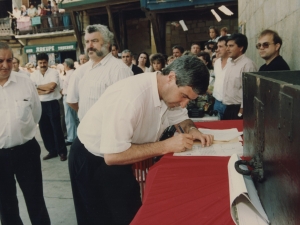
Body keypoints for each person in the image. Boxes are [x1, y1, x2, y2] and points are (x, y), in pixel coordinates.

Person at [68, 55, 214, 225]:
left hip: (121, 156)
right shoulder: (131, 97)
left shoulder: (168, 93)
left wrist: (192, 129)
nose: (183, 104)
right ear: (172, 77)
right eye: (183, 96)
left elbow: (182, 118)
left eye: (189, 100)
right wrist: (165, 146)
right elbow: (112, 156)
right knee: (100, 219)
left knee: (131, 215)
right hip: (93, 159)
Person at [0, 42, 50, 225]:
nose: (5, 65)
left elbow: (36, 113)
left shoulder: (25, 83)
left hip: (26, 152)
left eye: (9, 60)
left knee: (35, 200)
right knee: (6, 206)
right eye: (0, 61)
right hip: (0, 155)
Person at [67, 24, 133, 121]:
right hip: (85, 130)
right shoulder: (82, 70)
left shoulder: (119, 69)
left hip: (108, 132)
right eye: (87, 42)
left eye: (94, 41)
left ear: (107, 44)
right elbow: (72, 101)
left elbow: (126, 107)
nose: (90, 46)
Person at [30, 53, 68, 161]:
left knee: (56, 128)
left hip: (52, 102)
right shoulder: (33, 75)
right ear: (37, 63)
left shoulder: (53, 72)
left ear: (48, 62)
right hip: (40, 104)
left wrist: (37, 87)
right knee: (44, 129)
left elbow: (52, 86)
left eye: (44, 62)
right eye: (40, 63)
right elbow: (32, 90)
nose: (42, 64)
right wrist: (44, 90)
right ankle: (52, 151)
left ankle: (62, 152)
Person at [222, 33, 258, 120]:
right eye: (227, 46)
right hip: (228, 108)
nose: (227, 49)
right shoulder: (230, 63)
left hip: (240, 110)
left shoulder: (248, 65)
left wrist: (241, 112)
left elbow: (250, 92)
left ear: (241, 48)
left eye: (231, 46)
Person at [62, 58, 79, 145]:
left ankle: (71, 137)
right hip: (69, 96)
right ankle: (74, 136)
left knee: (69, 117)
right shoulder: (71, 73)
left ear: (67, 65)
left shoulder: (70, 73)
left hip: (68, 96)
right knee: (73, 117)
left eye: (64, 65)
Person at [212, 36, 230, 119]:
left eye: (220, 47)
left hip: (230, 104)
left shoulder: (234, 63)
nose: (217, 49)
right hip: (217, 102)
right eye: (217, 46)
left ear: (228, 47)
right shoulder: (216, 63)